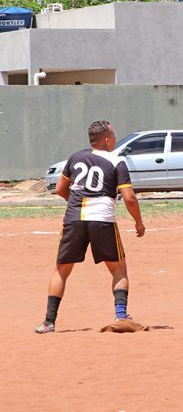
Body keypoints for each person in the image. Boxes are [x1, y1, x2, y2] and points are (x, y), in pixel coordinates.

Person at [35, 120, 146, 334]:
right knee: (119, 269)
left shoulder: (75, 158)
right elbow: (129, 197)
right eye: (113, 135)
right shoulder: (116, 161)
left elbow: (60, 189)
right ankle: (121, 316)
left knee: (61, 270)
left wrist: (76, 205)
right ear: (106, 140)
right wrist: (138, 222)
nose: (115, 139)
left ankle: (48, 322)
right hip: (102, 218)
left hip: (73, 218)